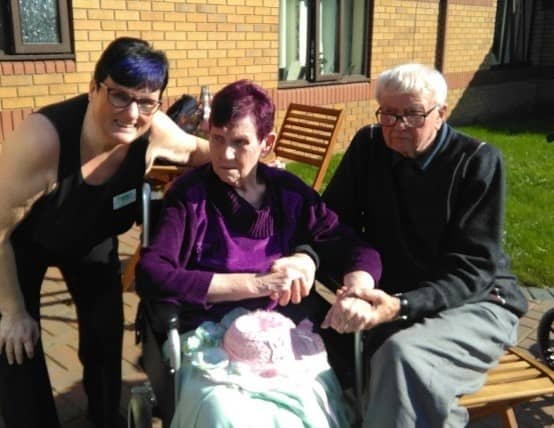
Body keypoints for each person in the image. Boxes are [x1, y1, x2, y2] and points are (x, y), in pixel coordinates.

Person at [135, 79, 381, 426]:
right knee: (226, 416)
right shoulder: (190, 196)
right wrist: (257, 284)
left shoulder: (289, 194)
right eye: (216, 139)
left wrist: (356, 289)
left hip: (283, 338)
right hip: (208, 340)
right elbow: (152, 273)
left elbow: (353, 246)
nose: (224, 154)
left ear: (268, 144)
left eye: (240, 142)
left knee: (309, 412)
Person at [0, 37, 209, 428]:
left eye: (147, 101)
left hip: (91, 239)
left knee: (106, 333)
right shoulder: (40, 141)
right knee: (17, 346)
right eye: (119, 96)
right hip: (21, 244)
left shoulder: (153, 131)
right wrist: (12, 312)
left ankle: (104, 417)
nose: (132, 113)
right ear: (94, 87)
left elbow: (199, 152)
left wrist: (254, 164)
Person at [321, 63, 529, 427]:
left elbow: (473, 269)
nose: (398, 126)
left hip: (477, 300)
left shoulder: (477, 161)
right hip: (396, 295)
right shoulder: (369, 145)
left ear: (441, 113)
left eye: (413, 114)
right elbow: (335, 223)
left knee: (403, 357)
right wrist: (356, 280)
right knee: (314, 333)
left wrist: (402, 306)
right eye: (388, 114)